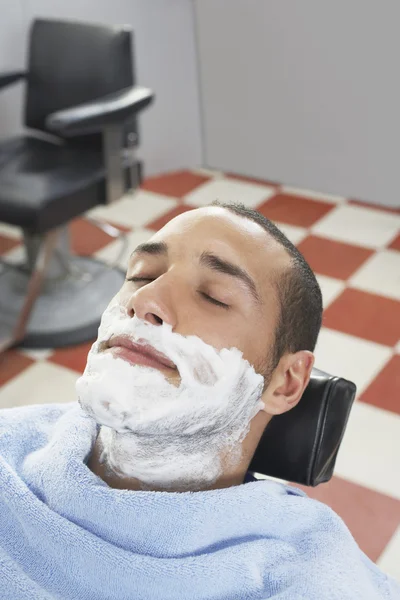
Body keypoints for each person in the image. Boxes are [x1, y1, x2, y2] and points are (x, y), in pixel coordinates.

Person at [0, 202, 398, 600]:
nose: (144, 302)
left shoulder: (309, 577)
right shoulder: (10, 447)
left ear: (286, 383)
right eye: (142, 275)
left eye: (214, 296)